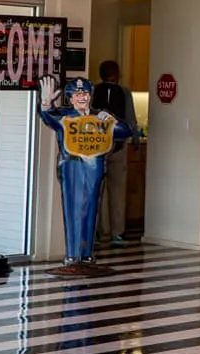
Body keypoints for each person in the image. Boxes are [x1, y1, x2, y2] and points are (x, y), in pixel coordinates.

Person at [39, 75, 132, 272]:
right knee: (73, 209)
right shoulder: (65, 116)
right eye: (78, 94)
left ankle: (86, 254)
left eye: (86, 94)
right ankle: (73, 254)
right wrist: (46, 103)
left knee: (90, 209)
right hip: (72, 165)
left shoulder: (100, 116)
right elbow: (48, 117)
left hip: (95, 165)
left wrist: (113, 121)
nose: (83, 98)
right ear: (70, 98)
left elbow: (125, 131)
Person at [92, 60, 140, 246]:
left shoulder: (94, 91)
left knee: (96, 191)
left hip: (97, 149)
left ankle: (96, 232)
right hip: (118, 146)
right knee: (117, 191)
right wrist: (135, 139)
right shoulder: (125, 92)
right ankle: (116, 233)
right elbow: (130, 119)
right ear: (118, 74)